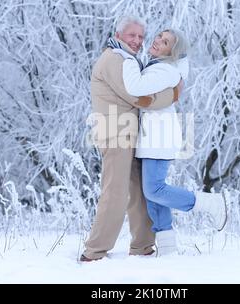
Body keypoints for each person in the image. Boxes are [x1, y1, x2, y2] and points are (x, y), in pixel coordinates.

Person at [113, 29, 227, 256]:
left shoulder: (165, 70)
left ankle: (209, 203)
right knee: (152, 195)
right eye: (159, 36)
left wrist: (126, 57)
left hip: (159, 138)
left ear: (172, 52)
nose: (157, 42)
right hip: (151, 138)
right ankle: (167, 248)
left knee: (155, 190)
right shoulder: (159, 67)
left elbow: (134, 87)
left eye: (165, 42)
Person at [80, 16, 182, 262]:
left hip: (128, 134)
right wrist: (172, 95)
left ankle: (143, 246)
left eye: (140, 36)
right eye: (131, 35)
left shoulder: (127, 58)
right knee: (115, 192)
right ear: (118, 35)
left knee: (139, 191)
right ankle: (94, 251)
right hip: (116, 134)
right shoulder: (115, 59)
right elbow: (136, 96)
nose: (137, 41)